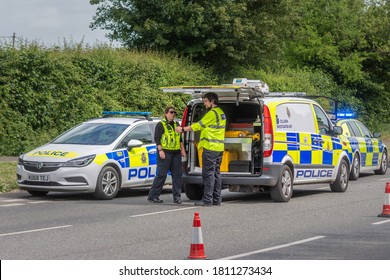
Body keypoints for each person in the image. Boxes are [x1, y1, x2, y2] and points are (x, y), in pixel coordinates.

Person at [175, 92, 226, 206]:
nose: (204, 103)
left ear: (212, 101)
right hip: (219, 148)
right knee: (216, 173)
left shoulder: (212, 113)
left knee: (208, 174)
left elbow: (198, 126)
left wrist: (182, 129)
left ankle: (207, 199)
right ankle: (217, 199)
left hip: (210, 148)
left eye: (206, 101)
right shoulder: (221, 113)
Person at [147, 106, 186, 204]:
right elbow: (157, 138)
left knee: (177, 175)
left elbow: (180, 139)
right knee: (161, 175)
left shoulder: (177, 124)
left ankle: (177, 197)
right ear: (166, 113)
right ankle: (153, 196)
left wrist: (183, 150)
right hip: (165, 152)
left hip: (176, 152)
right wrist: (160, 151)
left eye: (174, 113)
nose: (173, 114)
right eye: (171, 112)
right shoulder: (161, 124)